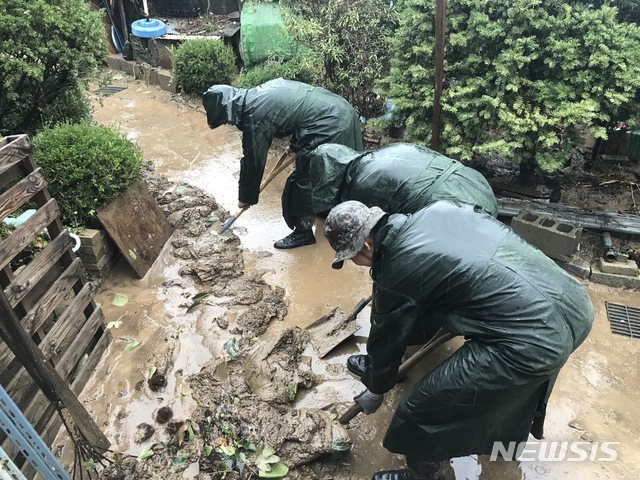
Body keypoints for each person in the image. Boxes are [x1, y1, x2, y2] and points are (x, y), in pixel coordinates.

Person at [323, 200, 594, 480]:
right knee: (488, 384)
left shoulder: (398, 266)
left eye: (351, 256)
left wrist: (375, 388)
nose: (354, 262)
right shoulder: (437, 210)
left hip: (530, 338)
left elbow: (386, 335)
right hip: (573, 304)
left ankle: (424, 475)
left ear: (366, 246)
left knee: (419, 408)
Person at [203, 78, 364, 249]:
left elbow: (254, 161)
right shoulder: (257, 95)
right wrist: (295, 145)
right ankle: (326, 209)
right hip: (340, 110)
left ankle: (303, 232)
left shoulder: (254, 114)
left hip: (331, 122)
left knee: (303, 179)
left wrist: (246, 197)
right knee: (328, 171)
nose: (228, 122)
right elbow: (299, 111)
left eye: (225, 119)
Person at [309, 142, 498, 218]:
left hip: (460, 213)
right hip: (479, 187)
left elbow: (382, 235)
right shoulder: (388, 150)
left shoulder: (360, 186)